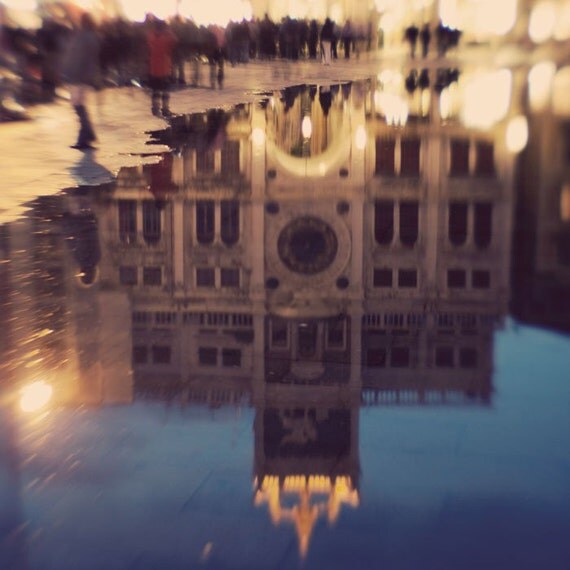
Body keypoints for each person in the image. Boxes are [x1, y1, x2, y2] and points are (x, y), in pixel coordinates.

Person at [61, 13, 100, 150]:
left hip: (78, 76)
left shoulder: (84, 37)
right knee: (79, 105)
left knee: (78, 106)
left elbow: (78, 58)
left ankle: (86, 137)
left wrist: (69, 72)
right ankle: (87, 135)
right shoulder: (89, 36)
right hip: (81, 76)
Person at [146, 18, 177, 116]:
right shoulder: (166, 37)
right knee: (165, 90)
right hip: (164, 68)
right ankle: (165, 109)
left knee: (155, 90)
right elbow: (175, 41)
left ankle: (155, 109)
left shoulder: (151, 36)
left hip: (154, 67)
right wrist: (169, 31)